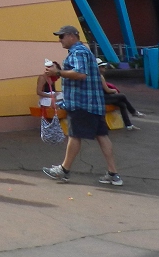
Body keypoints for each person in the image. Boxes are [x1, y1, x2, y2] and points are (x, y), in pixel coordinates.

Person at [42, 25, 123, 186]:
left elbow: (80, 73)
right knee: (102, 136)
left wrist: (57, 73)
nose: (60, 40)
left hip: (81, 103)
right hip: (93, 103)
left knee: (75, 135)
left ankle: (64, 170)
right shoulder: (84, 52)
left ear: (72, 36)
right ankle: (113, 173)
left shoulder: (78, 52)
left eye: (62, 36)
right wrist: (60, 71)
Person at [97, 58, 144, 130]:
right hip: (101, 98)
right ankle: (133, 112)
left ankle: (129, 125)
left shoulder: (95, 76)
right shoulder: (99, 76)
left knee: (122, 104)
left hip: (101, 97)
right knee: (122, 96)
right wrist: (114, 91)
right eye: (102, 66)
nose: (104, 68)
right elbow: (107, 90)